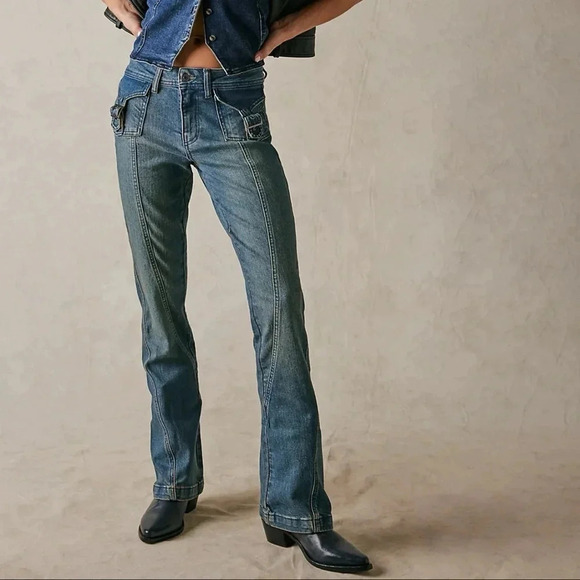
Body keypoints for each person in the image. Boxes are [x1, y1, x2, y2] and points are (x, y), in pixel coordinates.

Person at [104, 0, 371, 573]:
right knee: (160, 307)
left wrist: (289, 27)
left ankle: (296, 508)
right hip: (145, 101)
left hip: (233, 106)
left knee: (279, 307)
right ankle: (175, 481)